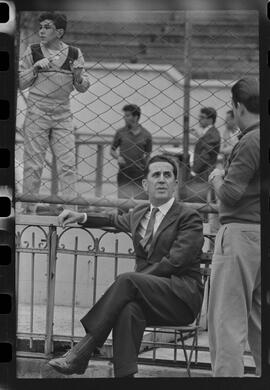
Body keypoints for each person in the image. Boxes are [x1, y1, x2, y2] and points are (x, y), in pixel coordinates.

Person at [48, 154, 204, 378]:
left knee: (127, 281)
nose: (162, 180)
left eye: (167, 175)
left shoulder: (189, 217)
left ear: (175, 184)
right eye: (156, 175)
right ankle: (125, 377)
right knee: (127, 309)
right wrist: (80, 216)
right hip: (147, 298)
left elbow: (175, 262)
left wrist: (135, 282)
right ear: (145, 184)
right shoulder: (139, 214)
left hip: (179, 299)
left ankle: (83, 350)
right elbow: (112, 220)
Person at [208, 77, 260, 376]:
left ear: (238, 107)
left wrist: (217, 176)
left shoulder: (250, 139)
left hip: (241, 235)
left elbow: (229, 195)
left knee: (227, 323)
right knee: (259, 324)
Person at [19, 12, 90, 213]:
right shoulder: (32, 51)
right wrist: (34, 69)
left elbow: (83, 86)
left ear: (59, 32)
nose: (41, 31)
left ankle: (69, 211)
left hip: (62, 114)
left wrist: (77, 76)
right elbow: (19, 83)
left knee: (67, 165)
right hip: (37, 112)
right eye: (41, 26)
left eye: (47, 27)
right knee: (33, 165)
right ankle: (28, 211)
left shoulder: (74, 53)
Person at [110, 104, 152, 203]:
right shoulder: (120, 132)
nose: (124, 118)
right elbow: (112, 150)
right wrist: (118, 157)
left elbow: (148, 154)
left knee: (141, 202)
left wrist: (147, 169)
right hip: (124, 172)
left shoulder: (146, 135)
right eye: (124, 115)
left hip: (139, 173)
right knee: (123, 202)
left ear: (136, 117)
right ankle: (122, 218)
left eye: (127, 115)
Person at [192, 107, 221, 182]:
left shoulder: (212, 134)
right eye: (199, 117)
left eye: (202, 117)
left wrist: (193, 171)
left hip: (204, 173)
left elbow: (205, 156)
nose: (199, 119)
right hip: (202, 172)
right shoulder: (208, 133)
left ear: (210, 120)